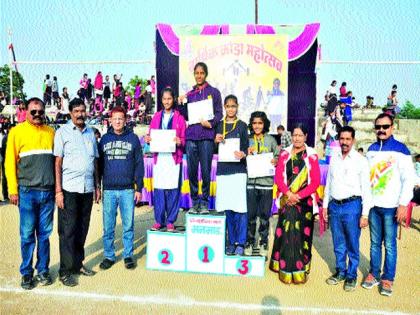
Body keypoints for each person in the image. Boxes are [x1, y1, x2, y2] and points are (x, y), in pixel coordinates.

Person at [361, 113, 415, 296]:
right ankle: (374, 273)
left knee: (390, 245)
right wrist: (366, 208)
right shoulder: (371, 149)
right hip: (374, 206)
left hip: (392, 206)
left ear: (392, 127)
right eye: (378, 127)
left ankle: (388, 278)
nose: (381, 130)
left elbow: (409, 179)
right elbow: (366, 180)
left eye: (385, 127)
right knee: (375, 243)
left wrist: (403, 204)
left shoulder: (401, 150)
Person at [5, 97, 55, 289]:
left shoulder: (51, 132)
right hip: (27, 192)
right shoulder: (16, 132)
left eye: (40, 111)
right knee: (27, 235)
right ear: (26, 111)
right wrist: (12, 190)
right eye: (33, 111)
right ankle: (26, 273)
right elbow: (9, 162)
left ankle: (42, 270)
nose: (37, 115)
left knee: (44, 235)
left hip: (47, 193)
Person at [54, 97, 101, 287]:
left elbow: (95, 162)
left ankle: (77, 264)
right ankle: (64, 270)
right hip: (69, 189)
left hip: (87, 188)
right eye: (77, 111)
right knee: (68, 231)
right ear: (70, 113)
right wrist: (58, 191)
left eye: (83, 110)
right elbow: (57, 162)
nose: (81, 114)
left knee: (82, 229)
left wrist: (97, 186)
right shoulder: (62, 132)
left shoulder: (91, 132)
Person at [322, 126, 372, 291]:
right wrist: (324, 205)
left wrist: (365, 214)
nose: (344, 142)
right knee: (338, 242)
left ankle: (352, 276)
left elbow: (366, 189)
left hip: (352, 206)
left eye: (347, 139)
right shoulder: (334, 158)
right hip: (335, 206)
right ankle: (340, 271)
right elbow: (329, 182)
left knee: (352, 242)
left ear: (353, 140)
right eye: (341, 139)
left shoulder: (361, 161)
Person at [270, 123, 320, 284]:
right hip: (287, 199)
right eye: (294, 135)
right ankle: (286, 269)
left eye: (300, 135)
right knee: (287, 233)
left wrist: (297, 196)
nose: (297, 138)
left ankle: (300, 269)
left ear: (306, 136)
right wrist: (288, 194)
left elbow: (315, 182)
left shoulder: (311, 155)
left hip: (304, 202)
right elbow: (278, 178)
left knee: (301, 235)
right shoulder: (284, 154)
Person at [98, 106, 144, 270]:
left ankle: (128, 255)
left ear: (125, 120)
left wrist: (139, 188)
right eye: (115, 118)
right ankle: (109, 255)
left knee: (128, 225)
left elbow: (139, 163)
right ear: (110, 120)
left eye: (121, 118)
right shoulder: (104, 139)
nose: (117, 121)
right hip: (109, 189)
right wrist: (98, 186)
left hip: (127, 190)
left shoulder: (133, 138)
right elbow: (99, 165)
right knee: (108, 226)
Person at [178, 62, 223, 214]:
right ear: (194, 75)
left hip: (206, 138)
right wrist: (181, 103)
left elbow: (219, 113)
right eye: (196, 73)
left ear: (206, 74)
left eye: (201, 73)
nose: (199, 75)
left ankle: (204, 202)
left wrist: (210, 124)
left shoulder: (214, 92)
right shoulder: (189, 95)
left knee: (205, 171)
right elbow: (185, 115)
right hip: (191, 137)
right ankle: (194, 202)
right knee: (191, 172)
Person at [145, 87, 186, 232]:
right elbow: (149, 136)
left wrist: (180, 141)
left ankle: (170, 221)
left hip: (173, 159)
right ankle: (159, 220)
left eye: (169, 98)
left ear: (173, 99)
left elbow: (184, 139)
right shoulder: (156, 117)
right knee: (160, 190)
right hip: (160, 158)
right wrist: (148, 139)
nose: (167, 101)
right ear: (161, 100)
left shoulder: (179, 118)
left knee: (173, 190)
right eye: (164, 99)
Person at [214, 95, 248, 255]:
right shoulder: (219, 125)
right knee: (227, 208)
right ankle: (230, 241)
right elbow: (214, 151)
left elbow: (246, 148)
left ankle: (240, 242)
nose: (231, 109)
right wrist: (215, 141)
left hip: (239, 171)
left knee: (240, 208)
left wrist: (243, 153)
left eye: (233, 106)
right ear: (224, 107)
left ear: (237, 107)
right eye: (228, 106)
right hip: (223, 171)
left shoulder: (242, 126)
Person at [245, 111, 279, 256]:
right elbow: (240, 156)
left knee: (265, 216)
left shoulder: (271, 140)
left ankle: (263, 242)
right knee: (251, 216)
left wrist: (276, 160)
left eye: (260, 123)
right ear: (251, 124)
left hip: (266, 184)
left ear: (264, 124)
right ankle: (250, 241)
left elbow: (278, 157)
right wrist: (245, 152)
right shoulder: (247, 140)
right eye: (254, 123)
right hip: (251, 183)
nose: (257, 126)